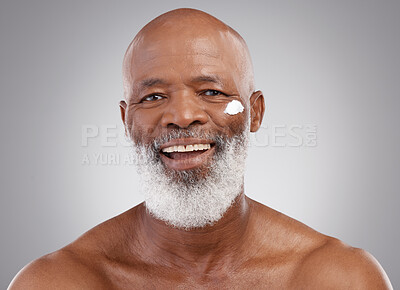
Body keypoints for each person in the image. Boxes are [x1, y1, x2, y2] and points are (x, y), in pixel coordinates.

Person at [9, 8, 392, 289]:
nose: (182, 115)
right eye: (154, 96)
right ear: (126, 122)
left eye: (211, 92)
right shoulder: (59, 282)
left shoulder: (334, 278)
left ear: (255, 112)